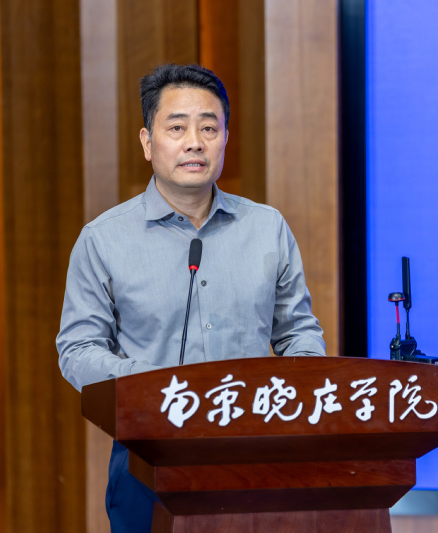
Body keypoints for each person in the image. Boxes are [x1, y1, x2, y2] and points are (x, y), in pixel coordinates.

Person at [56, 64, 326, 533]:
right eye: (177, 128)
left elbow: (299, 334)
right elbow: (77, 350)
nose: (195, 143)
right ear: (147, 142)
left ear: (225, 138)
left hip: (255, 454)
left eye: (209, 128)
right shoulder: (103, 240)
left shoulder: (267, 228)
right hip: (148, 457)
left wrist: (294, 399)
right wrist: (152, 385)